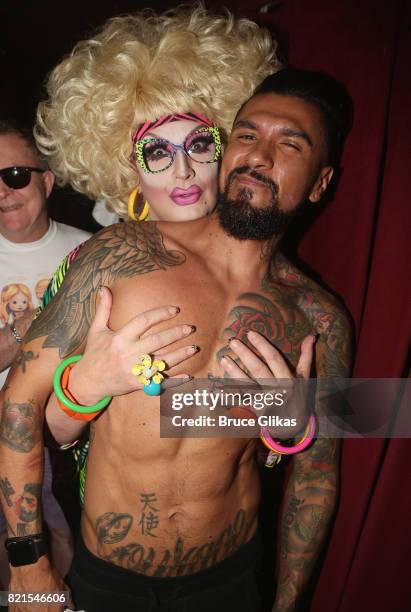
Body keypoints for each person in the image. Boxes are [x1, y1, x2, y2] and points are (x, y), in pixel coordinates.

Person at [0, 11, 352, 612]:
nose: (259, 156)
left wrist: (288, 429)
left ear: (320, 183)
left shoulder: (321, 318)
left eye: (288, 144)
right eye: (247, 134)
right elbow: (20, 404)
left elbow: (319, 472)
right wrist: (28, 566)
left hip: (233, 581)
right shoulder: (117, 256)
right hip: (109, 578)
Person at [0, 121, 92, 589]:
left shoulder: (90, 250)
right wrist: (25, 328)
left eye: (14, 175)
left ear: (47, 180)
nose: (3, 191)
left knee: (65, 544)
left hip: (70, 432)